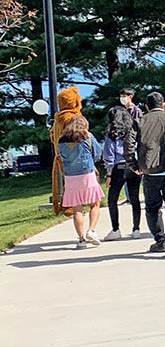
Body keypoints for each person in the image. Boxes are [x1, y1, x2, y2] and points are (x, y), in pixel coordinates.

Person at [126, 92, 165, 257]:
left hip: (150, 170)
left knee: (152, 207)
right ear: (164, 104)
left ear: (147, 107)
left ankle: (160, 239)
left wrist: (134, 165)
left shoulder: (140, 121)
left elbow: (128, 145)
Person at [57, 114, 104, 249]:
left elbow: (61, 157)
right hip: (87, 174)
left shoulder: (61, 140)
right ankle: (91, 230)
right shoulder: (86, 137)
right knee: (94, 204)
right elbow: (97, 153)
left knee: (77, 209)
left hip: (70, 177)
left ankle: (81, 240)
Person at [102, 105, 142, 240]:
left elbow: (109, 155)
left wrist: (108, 174)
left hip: (118, 168)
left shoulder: (111, 133)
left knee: (112, 199)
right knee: (134, 198)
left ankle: (115, 229)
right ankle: (136, 228)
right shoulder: (132, 130)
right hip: (133, 165)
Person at [50, 86, 83, 216]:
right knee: (75, 182)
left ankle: (67, 204)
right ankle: (71, 206)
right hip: (72, 155)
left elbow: (53, 136)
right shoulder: (71, 118)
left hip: (61, 155)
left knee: (69, 181)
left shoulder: (58, 118)